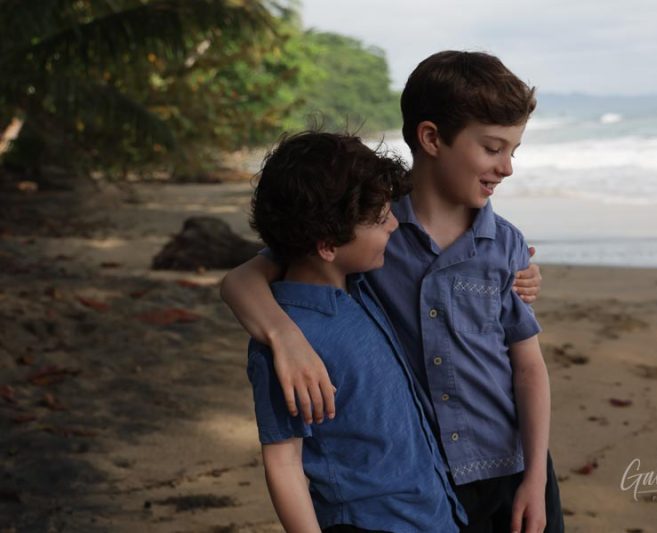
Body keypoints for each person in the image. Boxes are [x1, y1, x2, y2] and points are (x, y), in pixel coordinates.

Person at [223, 50, 563, 533]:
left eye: (515, 150)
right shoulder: (362, 230)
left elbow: (528, 366)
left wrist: (534, 476)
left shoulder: (504, 243)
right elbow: (240, 280)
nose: (507, 167)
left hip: (511, 466)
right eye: (492, 148)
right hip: (432, 479)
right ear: (430, 138)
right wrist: (285, 336)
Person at [245, 130, 466, 532]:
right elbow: (283, 463)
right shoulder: (283, 346)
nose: (395, 225)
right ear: (328, 245)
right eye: (381, 219)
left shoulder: (359, 284)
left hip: (433, 513)